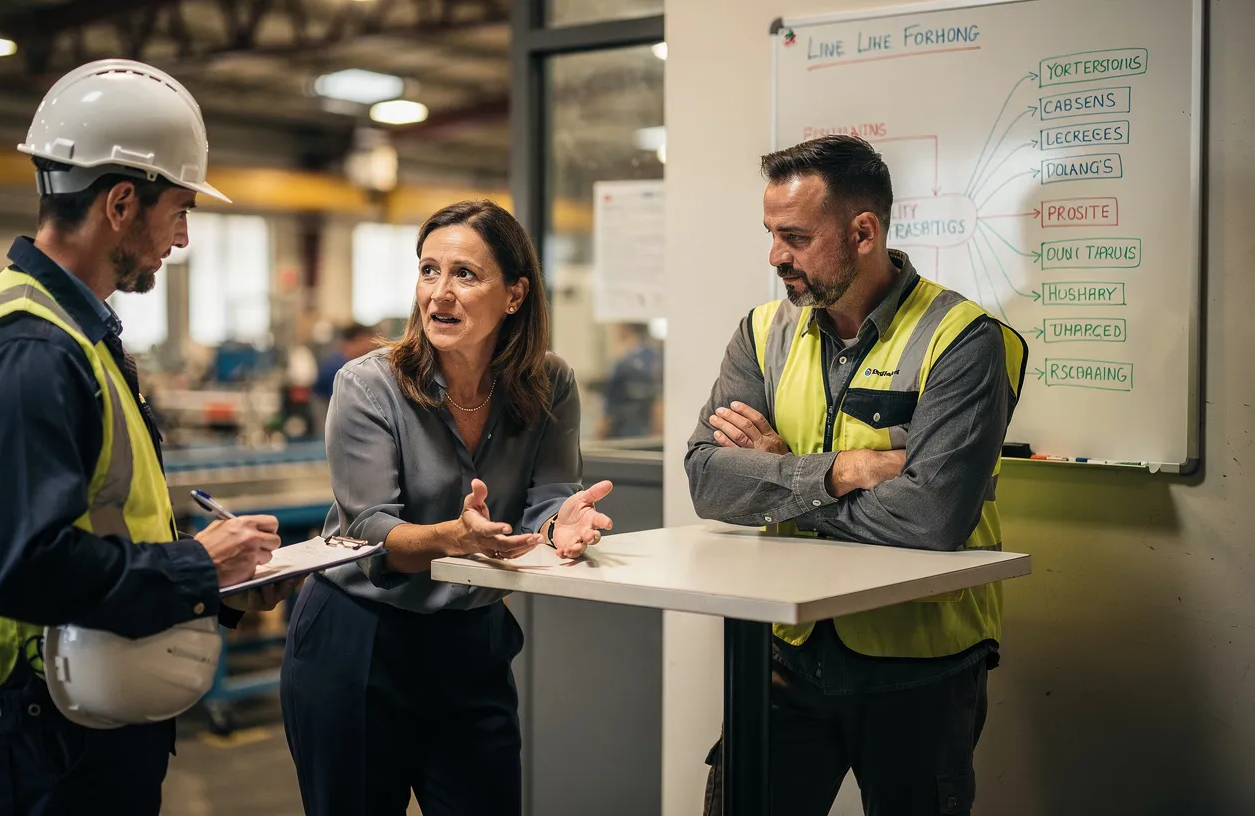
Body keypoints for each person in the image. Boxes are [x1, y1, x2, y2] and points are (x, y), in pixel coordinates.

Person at [0, 58, 287, 815]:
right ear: (120, 202)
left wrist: (219, 583)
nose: (182, 236)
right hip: (38, 727)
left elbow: (102, 529)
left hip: (76, 703)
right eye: (179, 209)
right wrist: (195, 566)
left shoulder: (72, 335)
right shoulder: (28, 353)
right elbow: (23, 567)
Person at [685, 135, 1027, 816]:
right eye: (771, 234)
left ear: (863, 232)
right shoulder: (761, 333)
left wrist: (780, 475)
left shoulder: (963, 338)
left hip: (919, 666)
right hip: (784, 652)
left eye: (795, 237)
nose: (776, 256)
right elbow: (708, 480)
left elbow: (932, 519)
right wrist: (845, 470)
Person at [281, 200, 615, 816]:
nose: (439, 293)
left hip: (471, 643)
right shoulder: (368, 384)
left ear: (514, 295)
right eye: (428, 270)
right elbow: (369, 529)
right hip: (358, 641)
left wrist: (556, 525)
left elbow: (547, 497)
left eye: (464, 274)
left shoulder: (550, 383)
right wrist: (452, 538)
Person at [600, 321, 663, 439]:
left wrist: (596, 441)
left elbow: (607, 416)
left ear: (623, 327)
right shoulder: (656, 357)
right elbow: (658, 407)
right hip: (649, 438)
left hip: (624, 438)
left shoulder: (622, 364)